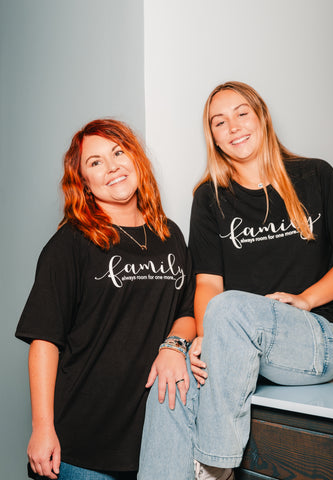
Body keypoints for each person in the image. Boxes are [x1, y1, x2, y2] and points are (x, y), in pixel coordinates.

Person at [138, 81, 333, 480]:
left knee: (228, 307)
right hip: (239, 347)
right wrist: (203, 339)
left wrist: (306, 299)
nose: (233, 127)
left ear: (261, 116)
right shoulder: (209, 198)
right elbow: (208, 284)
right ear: (212, 135)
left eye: (242, 113)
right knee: (170, 384)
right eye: (219, 121)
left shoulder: (314, 175)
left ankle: (216, 464)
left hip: (317, 340)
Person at [15, 119, 196, 480]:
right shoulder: (71, 244)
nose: (112, 166)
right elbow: (44, 341)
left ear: (135, 158)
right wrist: (42, 428)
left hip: (155, 442)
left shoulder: (169, 234)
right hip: (82, 447)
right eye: (95, 162)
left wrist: (173, 346)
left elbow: (187, 313)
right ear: (83, 181)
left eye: (118, 152)